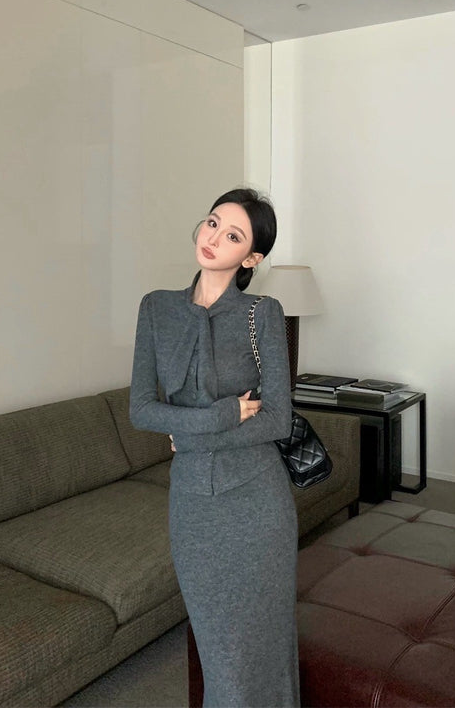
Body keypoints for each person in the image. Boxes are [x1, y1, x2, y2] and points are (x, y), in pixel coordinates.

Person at [129, 188, 300, 707]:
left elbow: (278, 418)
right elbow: (142, 410)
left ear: (251, 258)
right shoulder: (156, 308)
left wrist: (188, 433)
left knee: (265, 647)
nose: (213, 238)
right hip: (193, 509)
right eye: (212, 223)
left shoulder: (262, 312)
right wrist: (217, 417)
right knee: (220, 655)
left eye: (233, 235)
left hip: (258, 500)